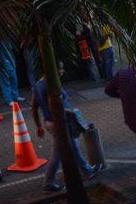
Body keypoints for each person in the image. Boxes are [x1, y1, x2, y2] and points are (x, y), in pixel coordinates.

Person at [32, 63, 102, 192]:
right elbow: (54, 107)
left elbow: (34, 107)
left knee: (74, 146)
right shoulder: (49, 86)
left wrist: (39, 126)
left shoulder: (38, 84)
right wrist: (71, 112)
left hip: (51, 121)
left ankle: (87, 170)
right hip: (59, 122)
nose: (63, 71)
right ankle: (48, 183)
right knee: (57, 153)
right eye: (61, 68)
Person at [0, 40, 23, 105]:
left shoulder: (5, 38)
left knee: (14, 78)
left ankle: (15, 96)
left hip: (10, 61)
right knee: (5, 81)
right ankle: (9, 100)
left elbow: (10, 48)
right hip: (1, 62)